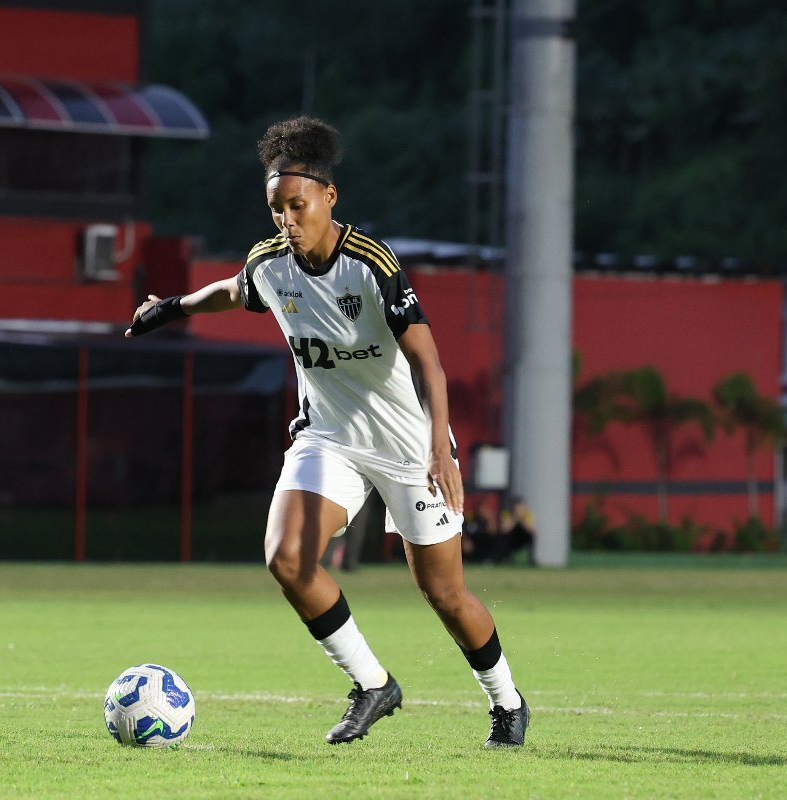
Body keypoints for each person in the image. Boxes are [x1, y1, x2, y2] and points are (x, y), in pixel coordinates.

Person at [125, 116, 528, 748]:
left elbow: (430, 362)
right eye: (276, 208)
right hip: (330, 438)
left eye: (297, 205)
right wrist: (168, 308)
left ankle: (507, 704)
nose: (286, 219)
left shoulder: (370, 266)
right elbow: (231, 291)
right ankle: (373, 685)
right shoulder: (272, 265)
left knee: (444, 592)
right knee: (286, 559)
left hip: (407, 445)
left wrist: (440, 449)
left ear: (328, 198)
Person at [497, 495, 536, 565]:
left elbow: (532, 530)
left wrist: (522, 519)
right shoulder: (507, 514)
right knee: (504, 537)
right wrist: (515, 518)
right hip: (512, 540)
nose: (518, 510)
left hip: (522, 540)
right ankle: (506, 559)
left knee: (532, 537)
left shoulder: (527, 515)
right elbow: (504, 530)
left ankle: (531, 559)